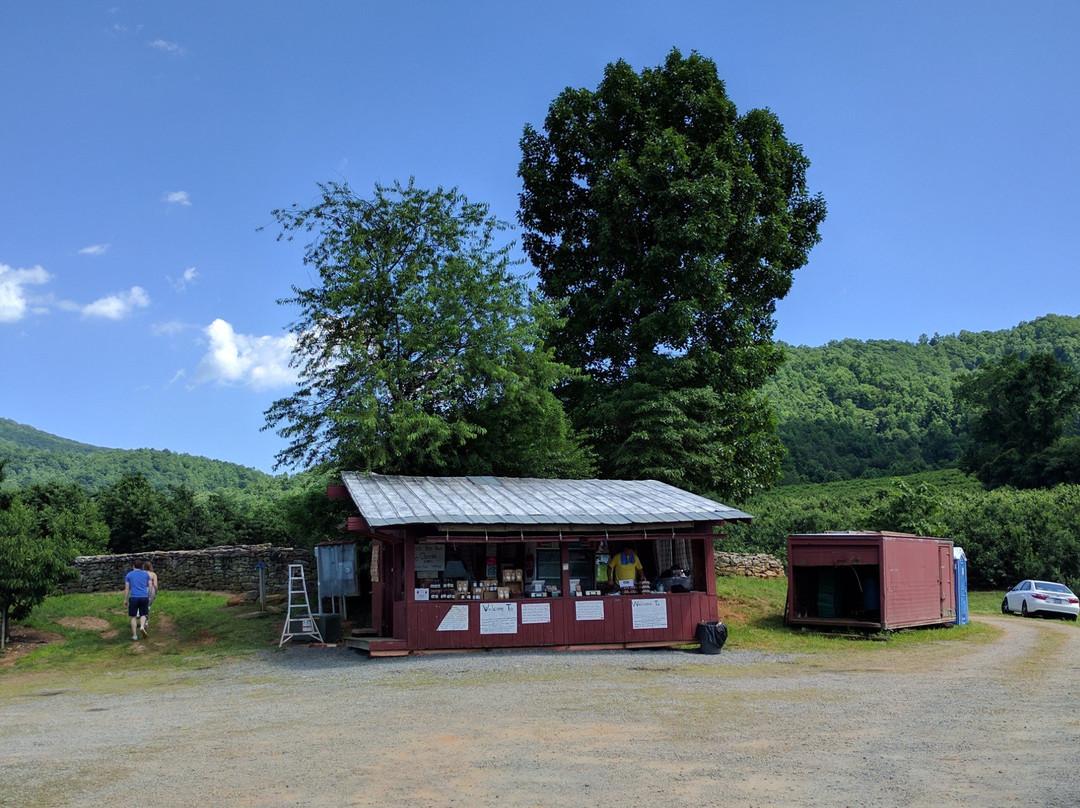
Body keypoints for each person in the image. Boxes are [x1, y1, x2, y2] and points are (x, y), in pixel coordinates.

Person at [123, 560, 152, 640]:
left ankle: (135, 635)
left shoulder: (129, 575)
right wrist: (149, 596)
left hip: (133, 597)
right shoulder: (146, 574)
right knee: (143, 614)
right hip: (144, 597)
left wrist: (125, 599)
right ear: (141, 566)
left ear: (133, 566)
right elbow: (150, 585)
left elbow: (127, 588)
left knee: (133, 616)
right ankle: (142, 626)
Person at [143, 561, 159, 627]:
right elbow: (155, 585)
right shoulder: (153, 574)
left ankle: (142, 617)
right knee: (148, 604)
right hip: (151, 590)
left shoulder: (141, 574)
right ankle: (146, 620)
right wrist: (156, 592)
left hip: (142, 589)